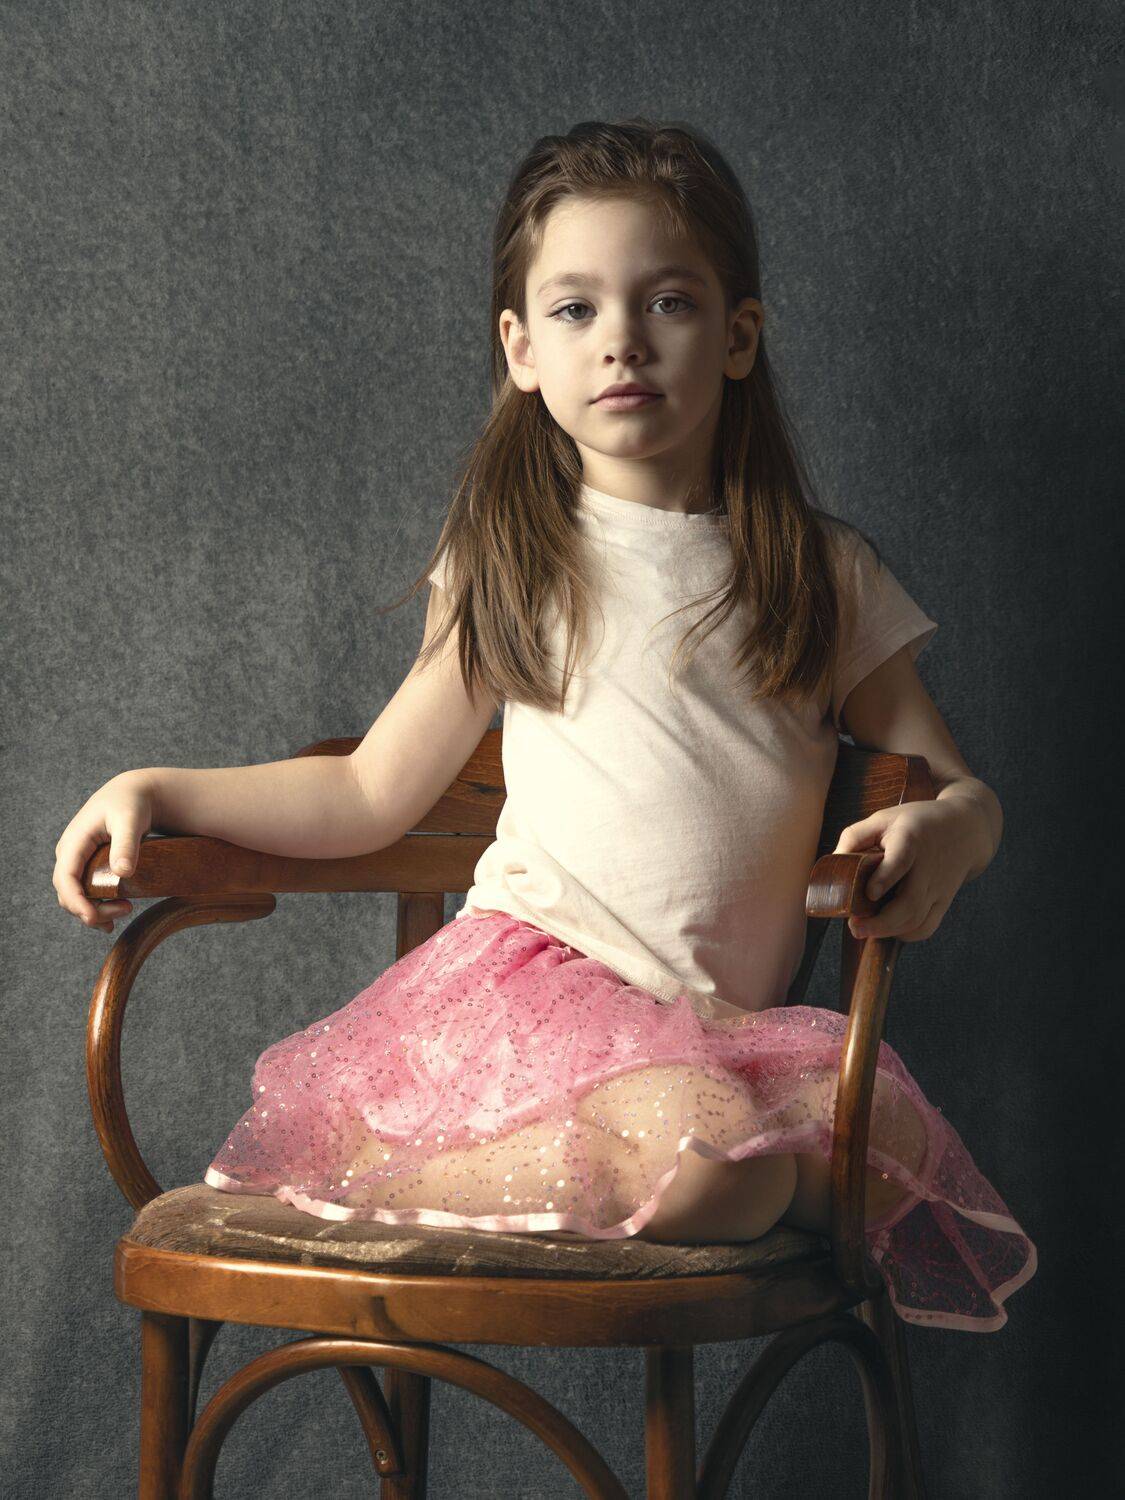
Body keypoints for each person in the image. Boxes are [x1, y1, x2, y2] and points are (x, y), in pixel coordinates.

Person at [52, 118, 1037, 1333]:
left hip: (721, 1034)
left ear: (737, 336)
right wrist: (160, 787)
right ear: (521, 349)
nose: (622, 338)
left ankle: (696, 1172)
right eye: (576, 309)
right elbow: (369, 792)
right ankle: (381, 1165)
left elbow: (957, 785)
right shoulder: (518, 559)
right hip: (538, 996)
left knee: (864, 1141)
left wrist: (951, 832)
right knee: (717, 1171)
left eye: (667, 301)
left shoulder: (816, 572)